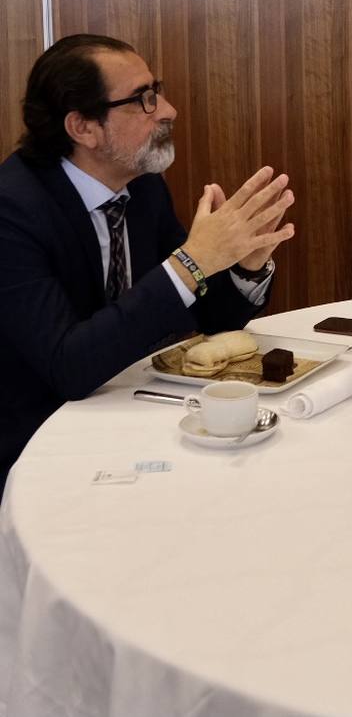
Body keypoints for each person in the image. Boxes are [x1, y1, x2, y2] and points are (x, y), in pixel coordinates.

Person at [0, 34, 296, 492]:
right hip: (37, 448)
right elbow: (67, 366)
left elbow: (206, 315)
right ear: (83, 127)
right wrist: (193, 261)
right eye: (144, 99)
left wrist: (244, 266)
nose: (168, 109)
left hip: (133, 416)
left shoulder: (142, 189)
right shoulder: (12, 211)